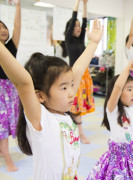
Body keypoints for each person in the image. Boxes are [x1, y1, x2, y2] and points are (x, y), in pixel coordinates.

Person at [0, 19, 103, 179]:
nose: (71, 93)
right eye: (63, 88)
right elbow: (23, 82)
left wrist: (93, 43)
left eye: (71, 86)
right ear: (40, 95)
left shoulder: (63, 111)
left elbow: (78, 69)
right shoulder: (40, 118)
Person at [87, 59, 133, 179]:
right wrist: (127, 68)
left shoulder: (131, 107)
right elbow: (117, 87)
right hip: (117, 161)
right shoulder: (113, 109)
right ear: (119, 93)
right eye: (129, 89)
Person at [65, 0, 93, 144]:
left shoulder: (81, 39)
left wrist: (85, 5)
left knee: (79, 107)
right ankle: (80, 134)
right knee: (75, 106)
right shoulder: (69, 40)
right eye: (74, 26)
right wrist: (77, 2)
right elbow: (75, 16)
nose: (78, 28)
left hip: (85, 75)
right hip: (74, 75)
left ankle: (77, 131)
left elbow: (84, 21)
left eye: (78, 26)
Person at [0, 0, 21, 172]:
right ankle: (7, 158)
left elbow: (17, 27)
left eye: (3, 27)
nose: (2, 30)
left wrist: (18, 6)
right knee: (2, 127)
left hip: (10, 91)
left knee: (5, 126)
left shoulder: (10, 48)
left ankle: (4, 151)